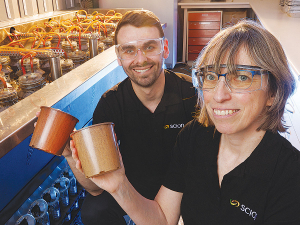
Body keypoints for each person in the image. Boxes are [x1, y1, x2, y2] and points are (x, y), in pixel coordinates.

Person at [72, 19, 300, 224]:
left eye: (241, 77)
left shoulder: (289, 176)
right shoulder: (196, 136)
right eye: (211, 76)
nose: (219, 96)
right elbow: (162, 219)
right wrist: (119, 185)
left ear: (274, 91)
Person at [66, 10, 197, 225]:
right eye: (129, 50)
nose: (140, 59)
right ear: (119, 57)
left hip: (183, 189)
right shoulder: (110, 104)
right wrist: (69, 155)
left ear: (164, 48)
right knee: (93, 210)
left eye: (149, 47)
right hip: (132, 189)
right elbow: (96, 188)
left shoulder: (192, 95)